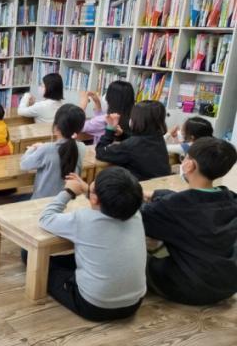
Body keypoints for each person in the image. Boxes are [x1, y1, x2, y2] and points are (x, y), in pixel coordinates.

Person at [37, 168, 147, 321]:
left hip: (94, 307)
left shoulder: (83, 219)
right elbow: (108, 204)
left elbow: (45, 218)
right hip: (134, 303)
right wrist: (87, 190)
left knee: (31, 257)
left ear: (94, 198)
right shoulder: (135, 214)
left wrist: (68, 192)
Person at [141, 137, 237, 305]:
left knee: (142, 260)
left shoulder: (172, 208)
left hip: (191, 287)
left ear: (189, 165)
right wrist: (158, 194)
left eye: (185, 157)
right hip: (228, 283)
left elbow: (138, 216)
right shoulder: (231, 199)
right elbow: (193, 201)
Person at [20, 104, 87, 200]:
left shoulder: (47, 149)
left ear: (56, 127)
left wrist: (32, 149)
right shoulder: (82, 147)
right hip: (69, 201)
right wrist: (43, 147)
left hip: (42, 202)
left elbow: (24, 165)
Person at [96, 100, 171, 180]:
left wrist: (110, 129)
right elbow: (139, 144)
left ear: (137, 120)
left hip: (140, 185)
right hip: (161, 183)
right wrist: (122, 134)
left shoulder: (130, 146)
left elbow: (100, 152)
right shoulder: (158, 138)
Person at [79, 81, 135, 145]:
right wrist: (97, 102)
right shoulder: (133, 119)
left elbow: (75, 125)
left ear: (109, 97)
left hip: (100, 150)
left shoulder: (105, 120)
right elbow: (98, 120)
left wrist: (82, 104)